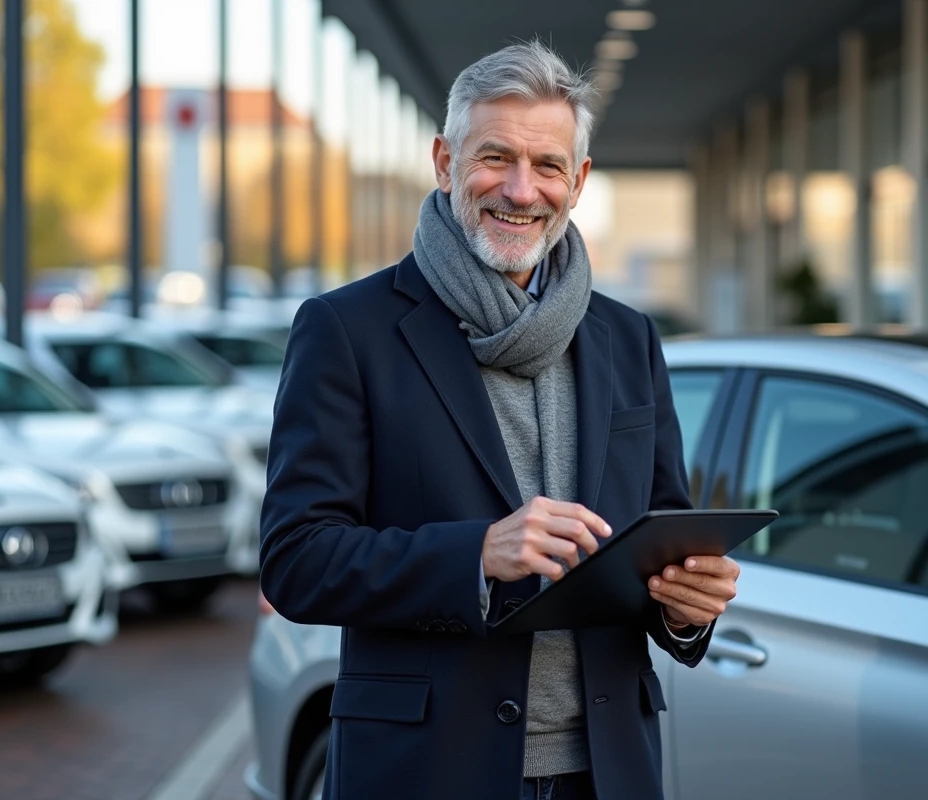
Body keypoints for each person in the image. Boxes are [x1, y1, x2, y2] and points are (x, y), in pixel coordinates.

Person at [260, 40, 741, 800]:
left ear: (577, 182)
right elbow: (296, 560)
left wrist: (687, 607)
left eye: (547, 165)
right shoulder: (346, 330)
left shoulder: (627, 337)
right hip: (427, 770)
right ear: (445, 162)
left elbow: (661, 531)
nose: (521, 190)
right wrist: (476, 554)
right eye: (495, 159)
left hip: (607, 771)